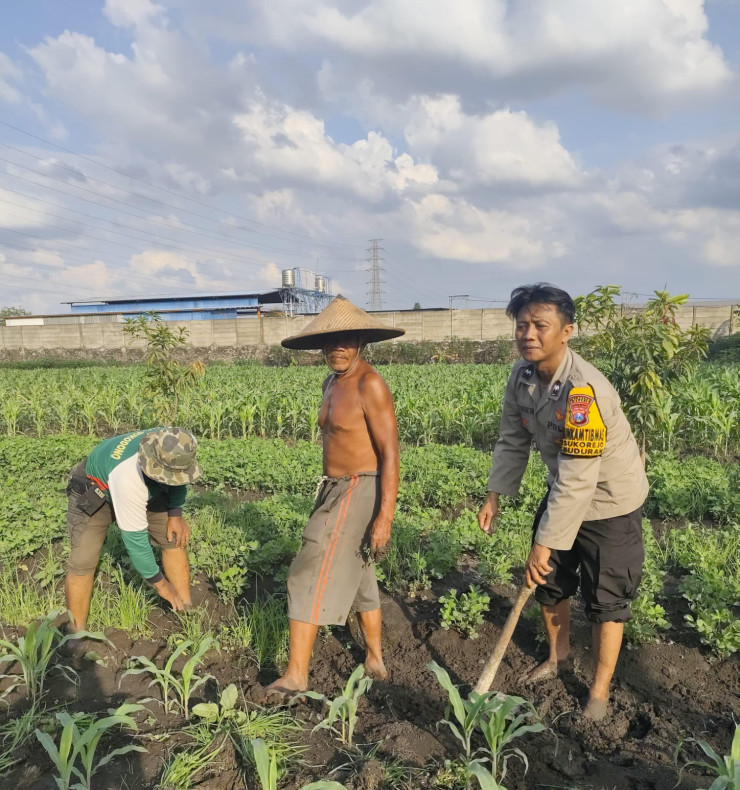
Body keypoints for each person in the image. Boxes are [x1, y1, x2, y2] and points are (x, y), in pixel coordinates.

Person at [477, 284, 649, 721]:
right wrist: (495, 493)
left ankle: (599, 691)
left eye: (540, 325)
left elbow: (578, 479)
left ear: (567, 331)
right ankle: (559, 658)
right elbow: (513, 438)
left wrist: (544, 541)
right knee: (549, 583)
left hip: (610, 499)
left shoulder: (582, 392)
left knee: (607, 598)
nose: (528, 334)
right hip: (568, 491)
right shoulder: (522, 376)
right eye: (522, 325)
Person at [263, 295, 404, 701]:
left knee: (307, 571)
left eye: (347, 340)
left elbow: (391, 452)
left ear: (361, 341)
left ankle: (296, 676)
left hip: (360, 485)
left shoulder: (369, 383)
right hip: (334, 487)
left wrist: (385, 518)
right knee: (360, 572)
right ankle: (375, 658)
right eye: (331, 341)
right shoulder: (332, 381)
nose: (338, 348)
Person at [64, 426, 201, 634]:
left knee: (173, 539)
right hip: (95, 491)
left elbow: (178, 477)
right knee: (83, 560)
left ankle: (185, 609)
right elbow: (136, 544)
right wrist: (161, 585)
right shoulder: (129, 477)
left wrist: (175, 513)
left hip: (145, 487)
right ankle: (75, 632)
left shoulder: (176, 442)